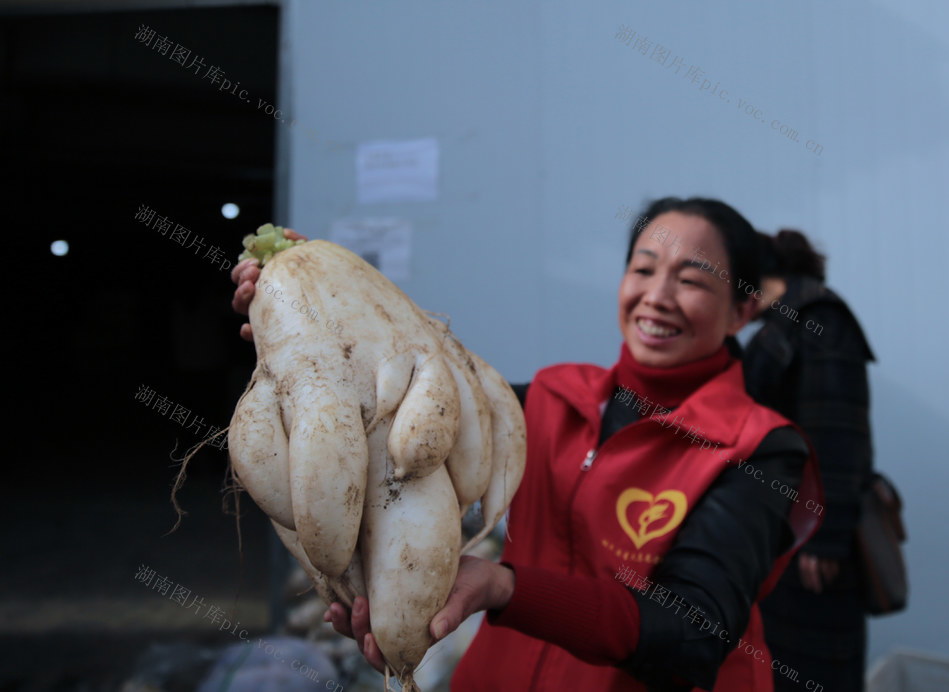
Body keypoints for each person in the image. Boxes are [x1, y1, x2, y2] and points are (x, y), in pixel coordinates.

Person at [230, 199, 824, 691]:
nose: (657, 296)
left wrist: (506, 588)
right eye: (643, 270)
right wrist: (308, 309)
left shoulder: (760, 448)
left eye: (691, 280)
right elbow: (391, 417)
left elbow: (695, 633)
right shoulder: (550, 398)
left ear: (742, 310)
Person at [742, 229, 875, 692]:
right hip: (784, 537)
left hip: (812, 543)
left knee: (817, 669)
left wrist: (825, 540)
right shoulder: (784, 322)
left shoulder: (819, 318)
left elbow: (838, 438)